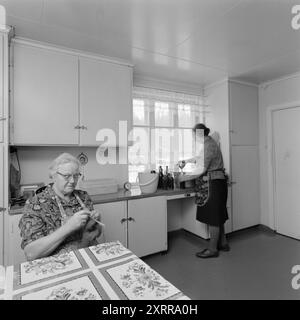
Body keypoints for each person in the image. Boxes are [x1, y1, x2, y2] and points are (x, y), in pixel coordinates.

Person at [19, 153, 102, 261]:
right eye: (67, 176)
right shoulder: (35, 204)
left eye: (76, 175)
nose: (73, 181)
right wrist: (69, 227)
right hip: (57, 264)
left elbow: (93, 235)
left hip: (87, 255)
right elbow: (31, 253)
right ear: (54, 176)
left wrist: (95, 226)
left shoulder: (84, 196)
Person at [177, 123, 229, 258]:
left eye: (194, 135)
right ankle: (222, 243)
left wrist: (183, 178)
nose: (193, 138)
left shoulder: (208, 146)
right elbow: (200, 158)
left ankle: (212, 249)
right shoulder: (209, 143)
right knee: (218, 215)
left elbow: (201, 169)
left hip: (213, 184)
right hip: (217, 182)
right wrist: (186, 161)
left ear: (199, 134)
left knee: (213, 217)